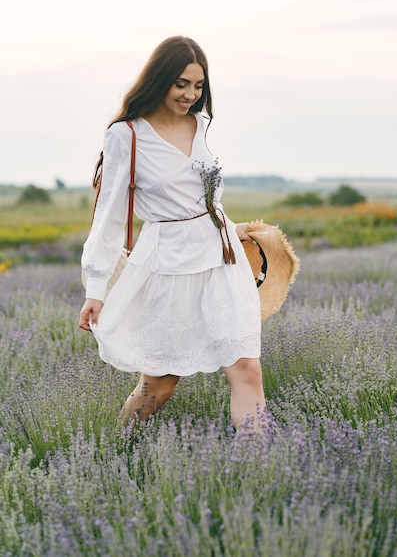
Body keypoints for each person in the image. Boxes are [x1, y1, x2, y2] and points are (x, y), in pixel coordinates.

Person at [79, 36, 265, 430]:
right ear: (160, 79)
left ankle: (261, 472)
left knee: (247, 369)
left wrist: (234, 229)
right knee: (159, 386)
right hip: (170, 265)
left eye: (198, 86)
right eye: (181, 83)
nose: (190, 94)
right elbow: (109, 217)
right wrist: (96, 289)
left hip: (222, 260)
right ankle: (115, 454)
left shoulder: (199, 125)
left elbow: (202, 199)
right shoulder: (126, 136)